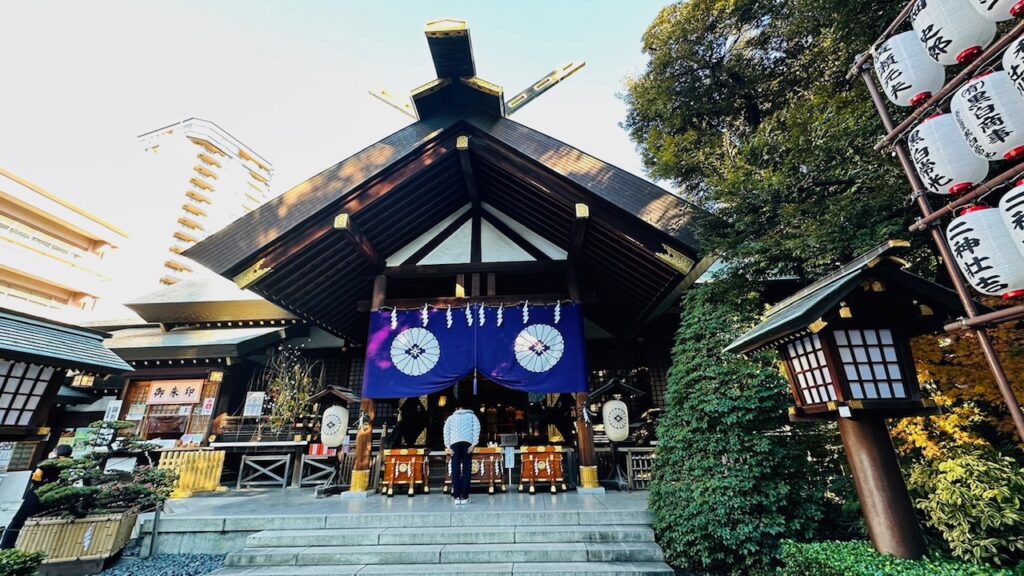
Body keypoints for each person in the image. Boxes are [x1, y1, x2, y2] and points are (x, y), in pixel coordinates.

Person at [0, 444, 72, 549]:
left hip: (36, 495)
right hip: (55, 495)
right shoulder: (68, 464)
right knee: (45, 519)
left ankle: (7, 545)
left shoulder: (46, 463)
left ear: (57, 451)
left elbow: (36, 478)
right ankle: (35, 545)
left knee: (18, 520)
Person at [443, 400, 481, 505]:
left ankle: (456, 497)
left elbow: (446, 431)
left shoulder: (450, 418)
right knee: (466, 470)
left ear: (457, 408)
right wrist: (474, 443)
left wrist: (447, 445)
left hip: (454, 444)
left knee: (455, 470)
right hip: (467, 443)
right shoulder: (472, 416)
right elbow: (477, 429)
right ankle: (465, 497)